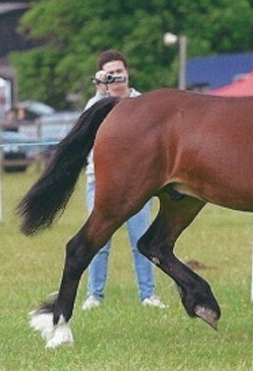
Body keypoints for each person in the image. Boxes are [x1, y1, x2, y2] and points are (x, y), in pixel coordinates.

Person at [82, 49, 165, 310]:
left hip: (138, 183)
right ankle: (94, 295)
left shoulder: (143, 103)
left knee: (141, 239)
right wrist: (100, 90)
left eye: (119, 70)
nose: (116, 76)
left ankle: (148, 295)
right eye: (110, 73)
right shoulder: (95, 105)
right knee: (97, 239)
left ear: (127, 72)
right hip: (100, 182)